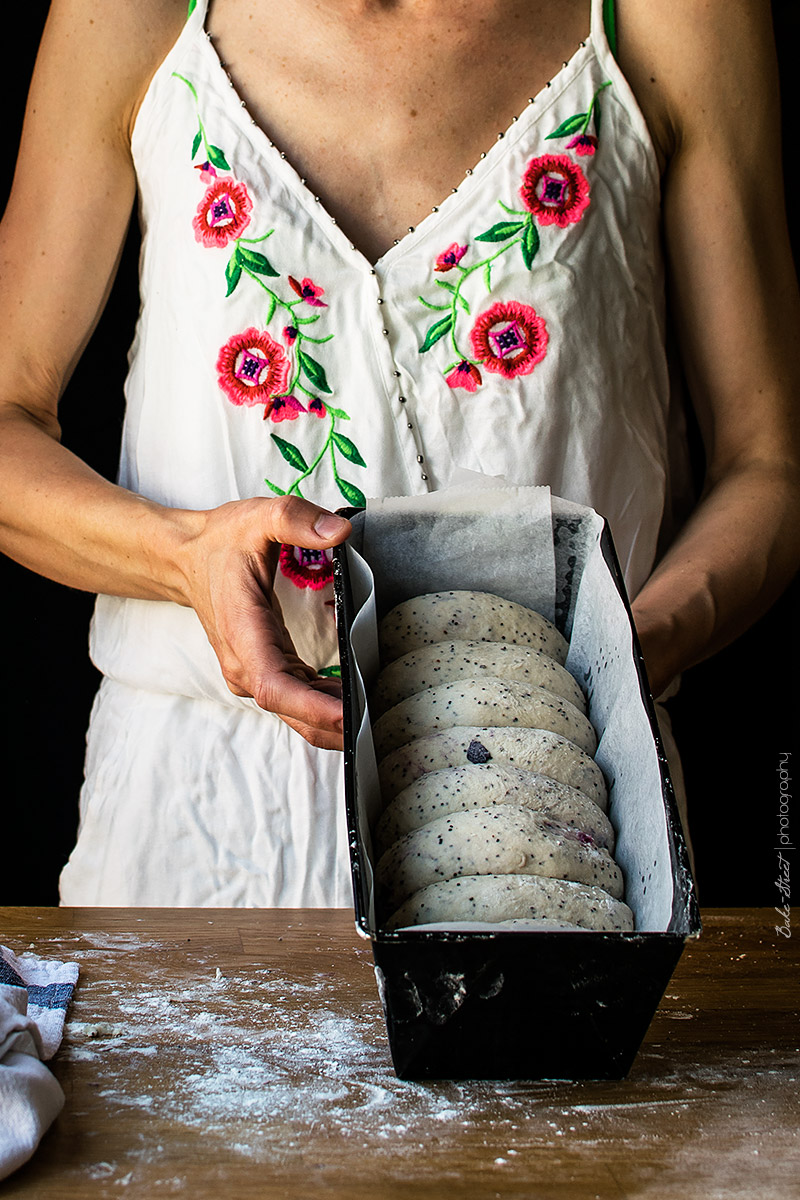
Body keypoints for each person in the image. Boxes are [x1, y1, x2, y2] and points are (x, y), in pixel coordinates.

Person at [0, 0, 798, 905]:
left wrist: (635, 645)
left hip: (555, 811)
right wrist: (186, 558)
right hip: (198, 826)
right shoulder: (132, 17)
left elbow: (767, 463)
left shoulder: (673, 20)